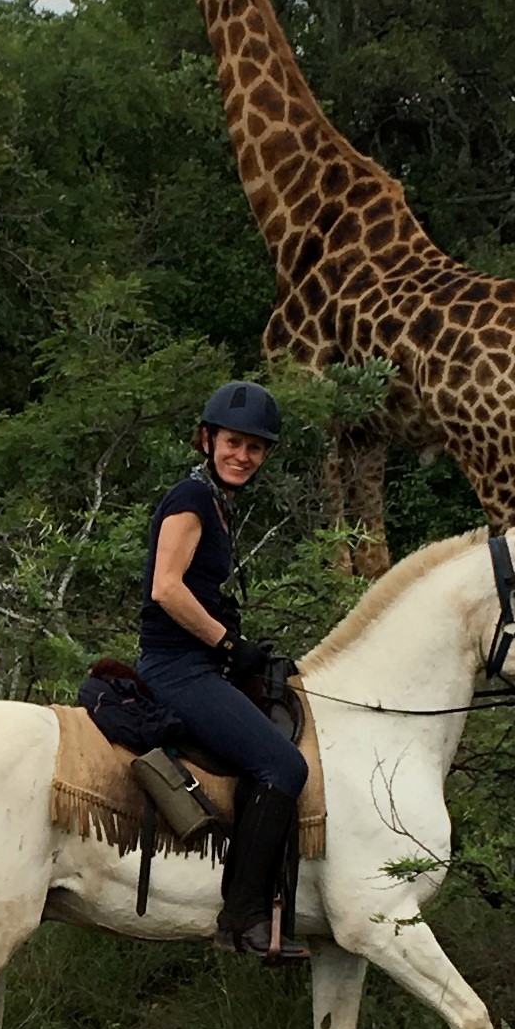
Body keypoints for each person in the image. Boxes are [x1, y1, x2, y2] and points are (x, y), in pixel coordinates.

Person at [137, 381, 310, 962]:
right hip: (178, 668)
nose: (243, 456)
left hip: (198, 661)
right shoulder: (190, 499)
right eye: (233, 442)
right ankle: (242, 921)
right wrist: (228, 644)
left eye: (256, 448)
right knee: (283, 764)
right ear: (208, 440)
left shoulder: (215, 502)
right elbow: (166, 587)